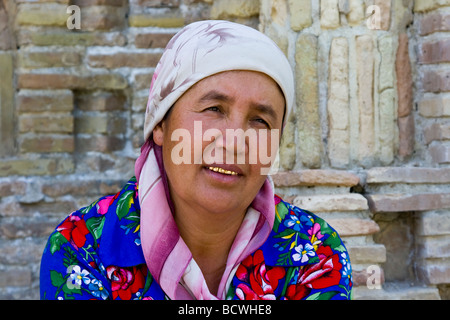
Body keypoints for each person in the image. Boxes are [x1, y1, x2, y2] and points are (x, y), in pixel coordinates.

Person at [40, 20, 353, 300]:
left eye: (260, 121)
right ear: (160, 125)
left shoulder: (314, 252)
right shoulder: (82, 247)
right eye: (214, 109)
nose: (234, 142)